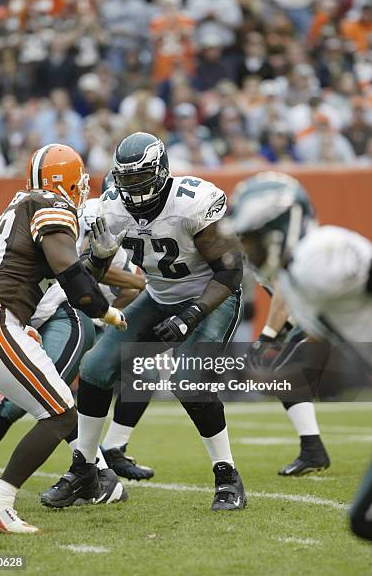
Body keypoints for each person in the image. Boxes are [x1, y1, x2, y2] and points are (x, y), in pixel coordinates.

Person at [42, 132, 247, 511]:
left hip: (210, 298)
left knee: (189, 382)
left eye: (142, 177)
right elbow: (90, 275)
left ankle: (227, 476)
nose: (134, 188)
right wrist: (99, 257)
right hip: (158, 296)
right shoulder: (113, 207)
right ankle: (85, 470)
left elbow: (231, 273)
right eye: (128, 179)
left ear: (162, 171)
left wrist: (191, 316)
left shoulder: (193, 203)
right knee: (95, 368)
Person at [0, 144, 127, 533]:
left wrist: (99, 262)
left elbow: (62, 270)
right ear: (64, 180)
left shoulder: (24, 203)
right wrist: (105, 310)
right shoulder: (52, 202)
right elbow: (71, 276)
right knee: (59, 413)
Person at [0, 181, 153, 488]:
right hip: (39, 313)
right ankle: (97, 474)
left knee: (44, 402)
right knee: (46, 404)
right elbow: (75, 272)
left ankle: (104, 465)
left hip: (40, 314)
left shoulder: (7, 225)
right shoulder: (81, 211)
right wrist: (112, 306)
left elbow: (83, 273)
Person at [227, 172, 330, 475]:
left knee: (286, 372)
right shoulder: (277, 253)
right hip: (322, 320)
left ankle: (313, 449)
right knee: (288, 375)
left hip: (337, 320)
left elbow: (285, 296)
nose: (246, 240)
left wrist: (265, 340)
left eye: (254, 232)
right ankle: (313, 449)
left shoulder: (313, 251)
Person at [278, 225, 372, 541]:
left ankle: (312, 449)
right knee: (363, 521)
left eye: (250, 238)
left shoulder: (323, 253)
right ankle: (312, 449)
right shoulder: (292, 273)